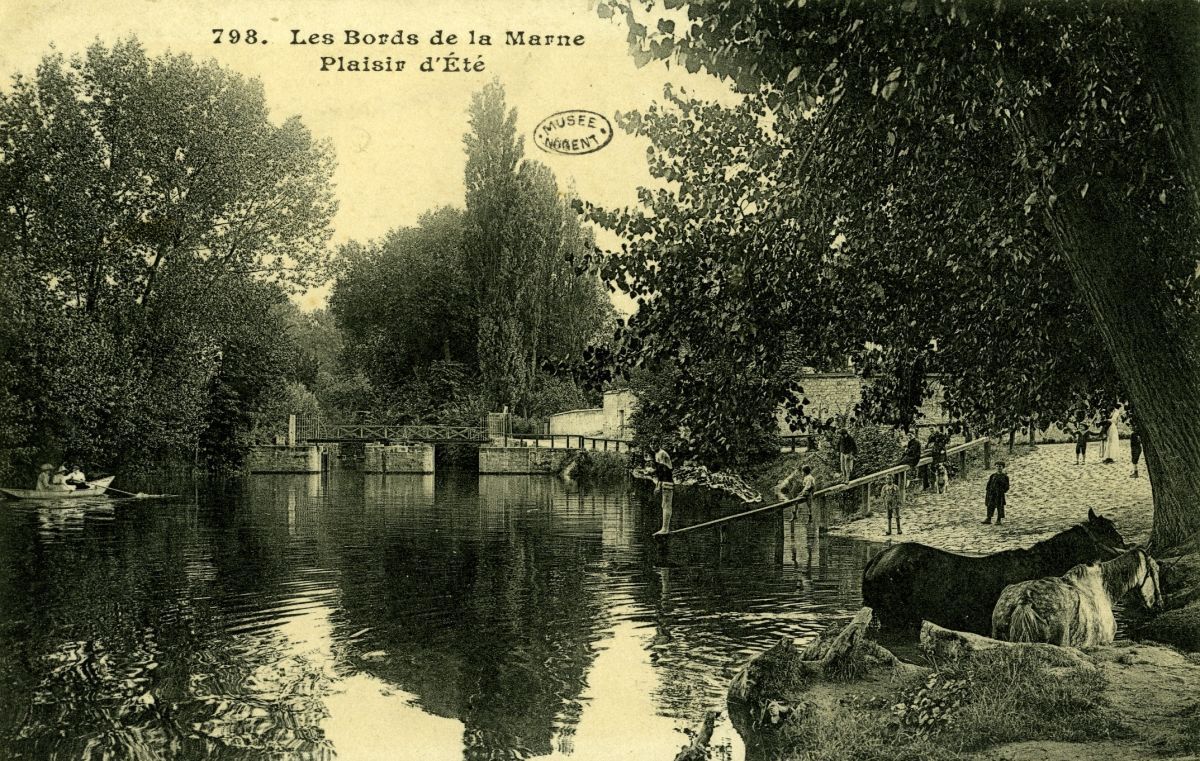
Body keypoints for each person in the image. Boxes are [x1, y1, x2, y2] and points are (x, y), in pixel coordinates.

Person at [653, 446, 674, 535]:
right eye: (651, 444)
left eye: (655, 443)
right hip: (665, 481)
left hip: (667, 481)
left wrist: (658, 485)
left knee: (666, 505)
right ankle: (665, 528)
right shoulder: (657, 453)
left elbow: (663, 470)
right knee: (664, 505)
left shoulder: (661, 453)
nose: (653, 446)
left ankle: (665, 529)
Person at [983, 461, 1010, 525]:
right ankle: (988, 518)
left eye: (1000, 466)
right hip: (992, 493)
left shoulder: (1005, 476)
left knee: (999, 506)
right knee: (990, 505)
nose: (998, 468)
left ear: (1003, 467)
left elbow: (1007, 486)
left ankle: (999, 519)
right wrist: (988, 492)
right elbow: (989, 484)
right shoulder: (993, 475)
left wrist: (1002, 491)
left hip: (999, 494)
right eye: (997, 466)